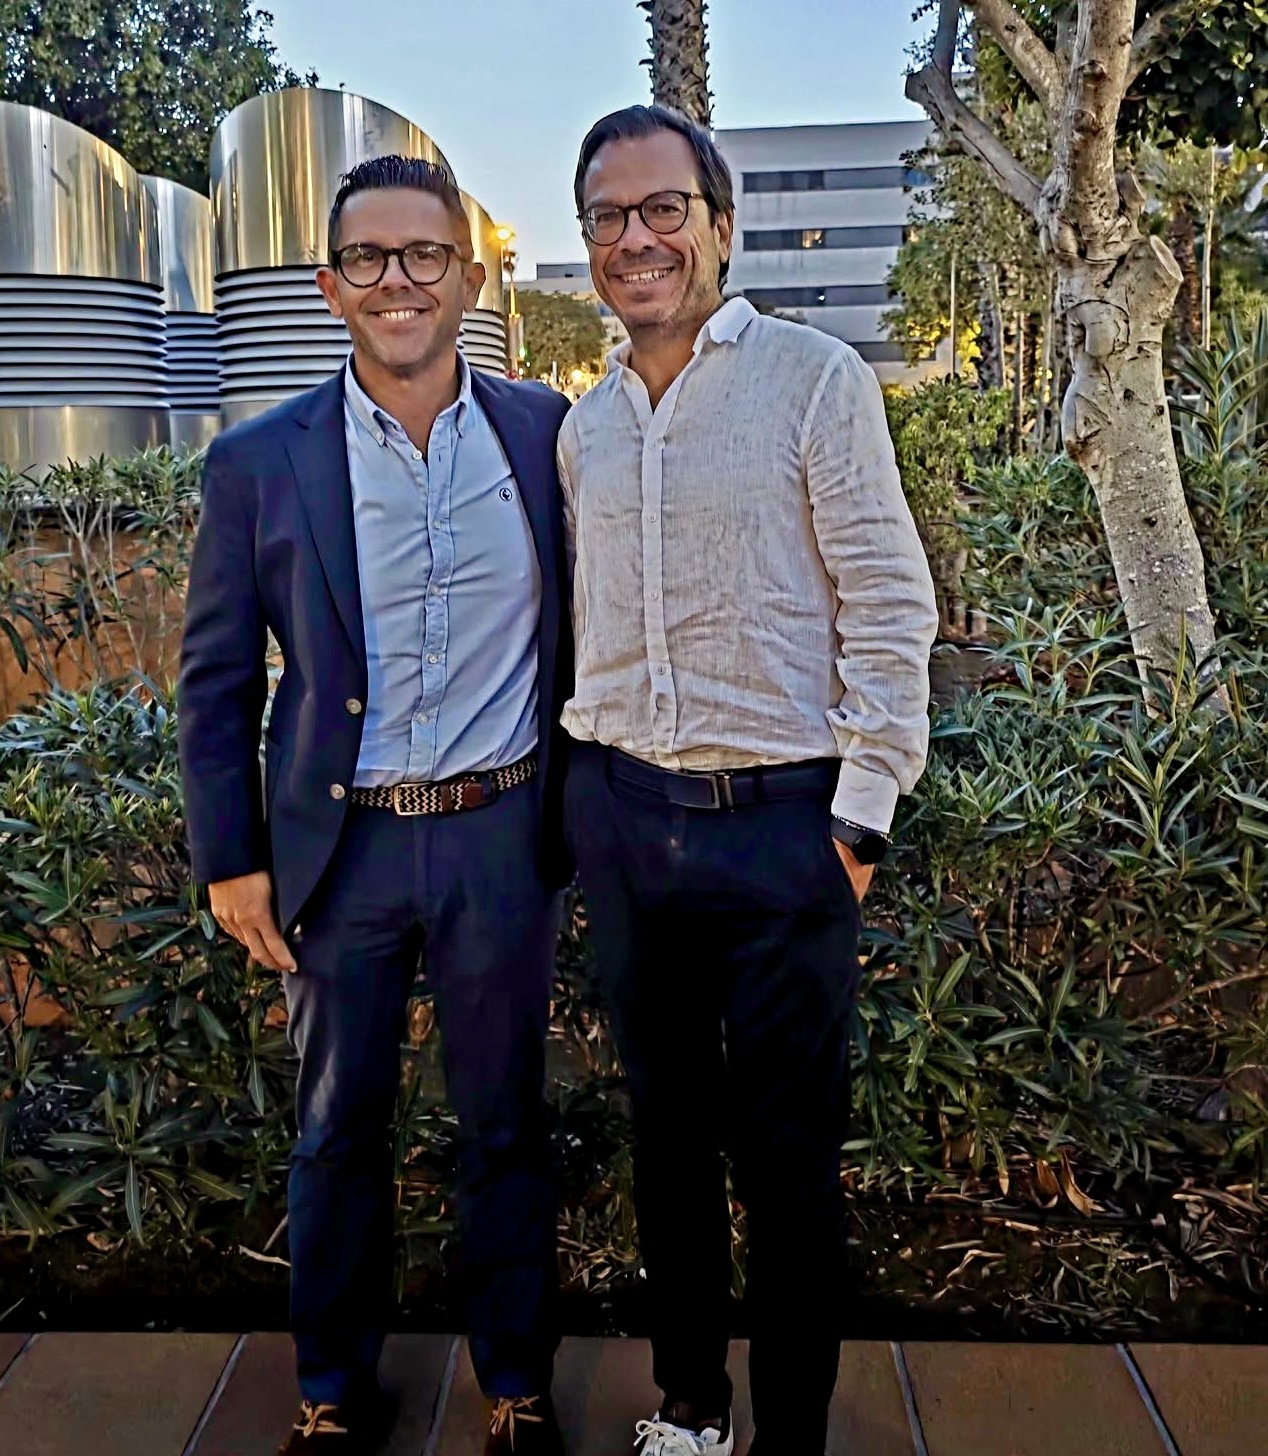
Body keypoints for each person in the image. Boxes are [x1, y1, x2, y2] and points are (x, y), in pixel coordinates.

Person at [557, 106, 939, 1456]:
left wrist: (861, 816)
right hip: (624, 822)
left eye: (664, 208)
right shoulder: (587, 426)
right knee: (665, 1143)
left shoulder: (813, 380)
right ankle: (691, 1407)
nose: (636, 237)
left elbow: (888, 599)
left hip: (783, 831)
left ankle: (790, 1436)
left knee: (787, 1165)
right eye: (609, 216)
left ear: (721, 227)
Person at [178, 155, 571, 1456]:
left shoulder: (546, 434)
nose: (398, 279)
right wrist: (230, 857)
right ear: (329, 283)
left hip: (502, 834)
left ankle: (515, 1386)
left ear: (471, 275)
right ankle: (332, 1392)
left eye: (424, 254)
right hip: (336, 849)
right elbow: (216, 678)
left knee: (505, 1122)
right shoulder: (258, 462)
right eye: (368, 256)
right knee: (336, 1127)